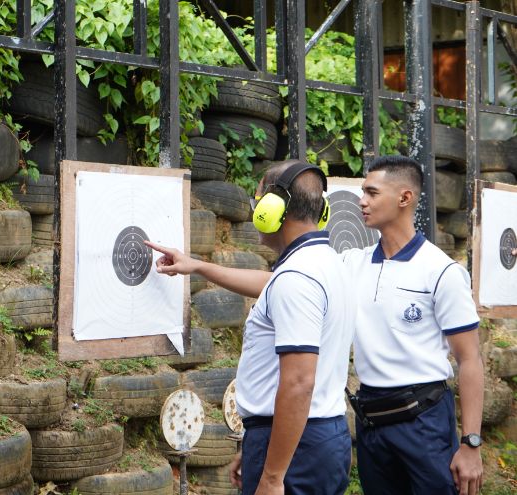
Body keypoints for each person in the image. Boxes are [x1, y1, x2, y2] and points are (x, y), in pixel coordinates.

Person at [146, 160, 355, 495]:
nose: (255, 210)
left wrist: (272, 476)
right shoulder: (325, 264)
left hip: (296, 447)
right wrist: (197, 265)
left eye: (257, 202)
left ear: (273, 209)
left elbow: (298, 383)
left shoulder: (297, 279)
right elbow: (270, 283)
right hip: (309, 437)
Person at [342, 155, 484, 495]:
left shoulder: (441, 271)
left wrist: (471, 443)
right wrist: (211, 269)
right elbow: (288, 283)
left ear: (404, 198)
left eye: (372, 192)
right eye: (363, 192)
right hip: (371, 420)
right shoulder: (351, 263)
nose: (362, 201)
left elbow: (469, 359)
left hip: (424, 422)